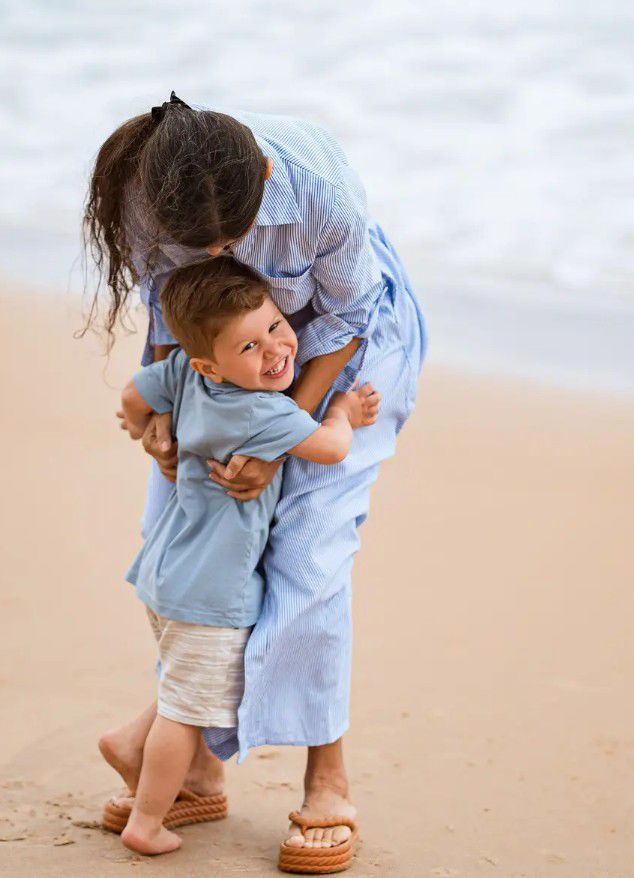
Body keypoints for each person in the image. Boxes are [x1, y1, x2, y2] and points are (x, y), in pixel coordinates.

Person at [86, 92, 427, 872]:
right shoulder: (146, 199)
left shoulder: (315, 187)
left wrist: (279, 436)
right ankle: (195, 761)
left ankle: (326, 779)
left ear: (267, 177)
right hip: (213, 360)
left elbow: (347, 319)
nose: (211, 255)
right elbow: (170, 314)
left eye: (227, 241)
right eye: (190, 244)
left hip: (339, 359)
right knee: (188, 544)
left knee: (305, 555)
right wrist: (164, 419)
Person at [112, 257, 378, 858]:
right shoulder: (263, 410)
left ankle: (133, 746)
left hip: (164, 572)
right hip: (212, 596)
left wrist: (150, 432)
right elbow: (332, 449)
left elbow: (131, 396)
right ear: (212, 362)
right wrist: (342, 411)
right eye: (251, 346)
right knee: (186, 711)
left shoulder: (182, 370)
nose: (278, 350)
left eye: (279, 325)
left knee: (187, 685)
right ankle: (147, 820)